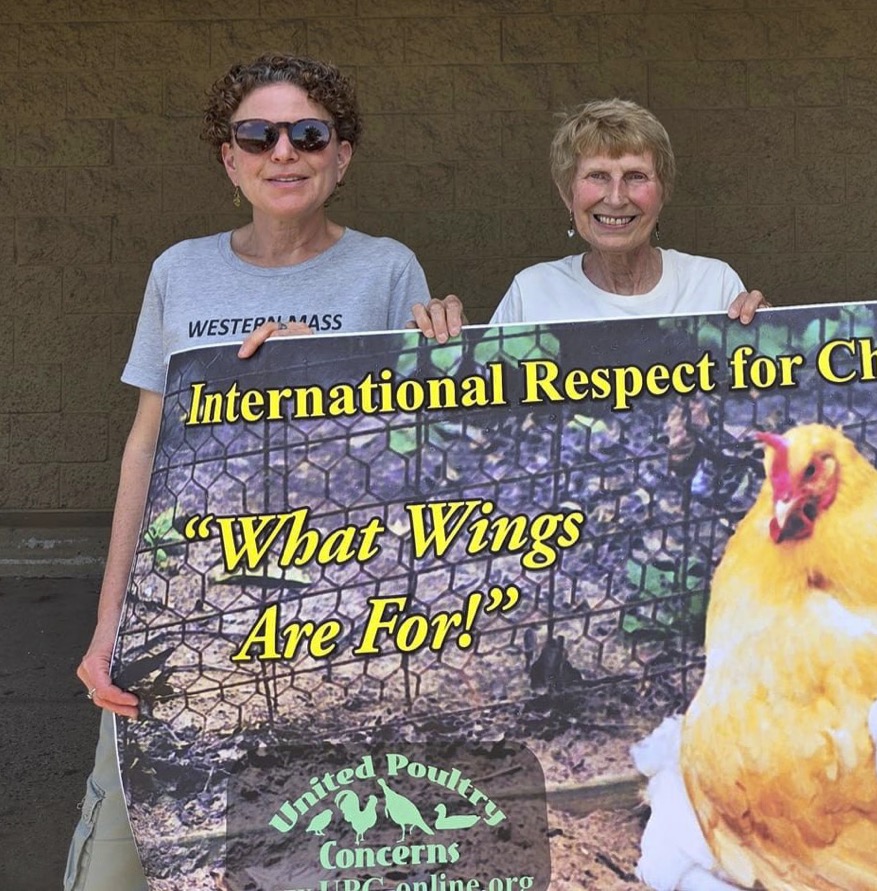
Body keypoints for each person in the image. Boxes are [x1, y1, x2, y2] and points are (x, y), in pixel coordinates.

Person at [66, 53, 460, 890]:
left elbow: (413, 456)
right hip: (183, 607)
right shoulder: (179, 270)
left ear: (340, 155)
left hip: (323, 616)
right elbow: (146, 447)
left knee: (298, 846)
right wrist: (110, 624)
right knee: (122, 854)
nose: (284, 151)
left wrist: (317, 372)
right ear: (229, 157)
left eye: (308, 133)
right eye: (259, 133)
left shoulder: (387, 269)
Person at [443, 99, 765, 327]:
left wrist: (777, 335)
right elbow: (486, 409)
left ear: (663, 191)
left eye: (635, 176)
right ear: (566, 192)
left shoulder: (713, 285)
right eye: (597, 176)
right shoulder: (533, 293)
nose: (615, 197)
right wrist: (445, 342)